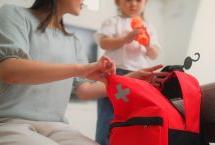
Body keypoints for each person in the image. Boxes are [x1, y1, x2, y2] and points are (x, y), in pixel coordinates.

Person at [0, 0, 169, 145]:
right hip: (9, 122)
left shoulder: (74, 42)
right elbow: (9, 70)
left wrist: (130, 79)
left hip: (57, 126)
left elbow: (85, 91)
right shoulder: (13, 14)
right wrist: (82, 69)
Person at [95, 0, 161, 145]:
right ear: (118, 2)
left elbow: (154, 54)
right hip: (116, 73)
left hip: (140, 76)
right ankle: (103, 141)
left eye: (138, 0)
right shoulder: (113, 21)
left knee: (134, 115)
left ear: (146, 2)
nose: (133, 4)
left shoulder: (149, 27)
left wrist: (148, 44)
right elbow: (103, 42)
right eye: (127, 0)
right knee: (108, 114)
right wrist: (126, 38)